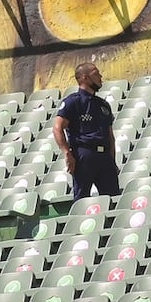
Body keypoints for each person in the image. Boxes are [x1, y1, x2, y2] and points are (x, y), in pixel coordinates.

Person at [54, 62, 121, 201]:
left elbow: (110, 136)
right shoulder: (73, 102)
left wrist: (112, 160)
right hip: (84, 155)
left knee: (112, 198)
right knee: (81, 198)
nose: (100, 76)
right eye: (95, 73)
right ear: (84, 77)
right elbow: (57, 128)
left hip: (105, 157)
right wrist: (67, 153)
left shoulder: (103, 104)